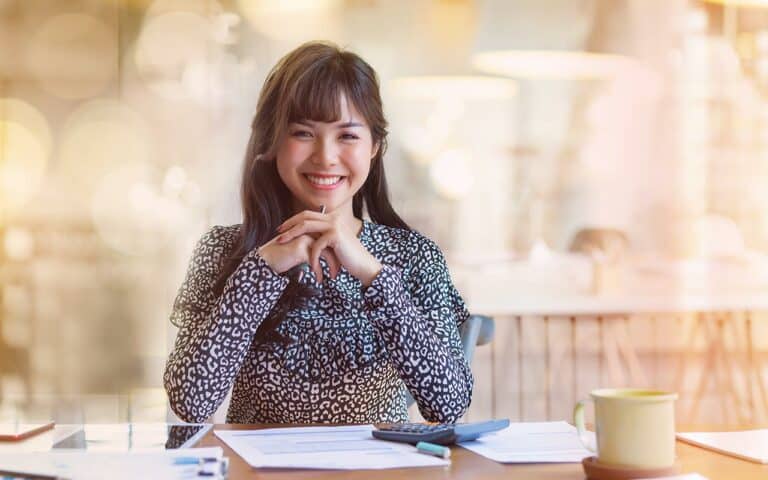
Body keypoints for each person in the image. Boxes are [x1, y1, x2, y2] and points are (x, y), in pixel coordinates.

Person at [163, 41, 472, 424]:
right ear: (271, 141)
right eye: (303, 133)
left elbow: (449, 404)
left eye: (347, 136)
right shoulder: (225, 249)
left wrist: (372, 274)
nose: (325, 156)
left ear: (375, 146)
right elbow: (190, 404)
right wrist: (261, 269)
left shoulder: (413, 256)